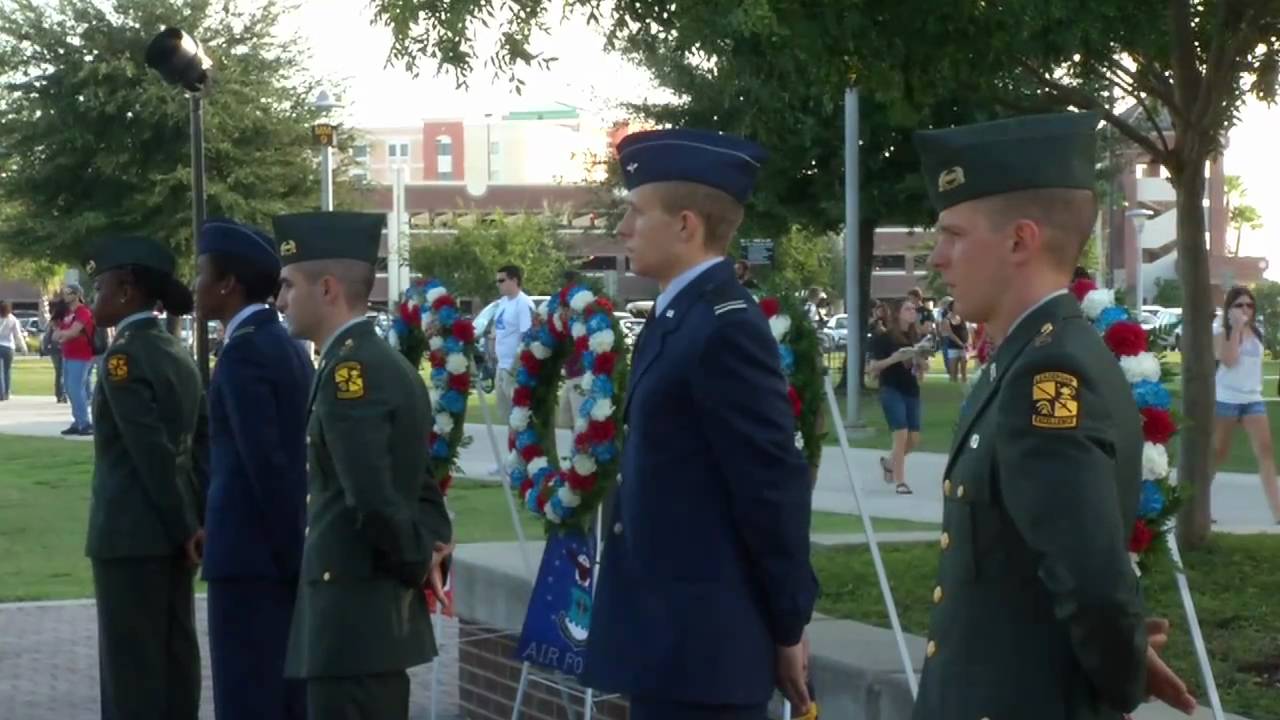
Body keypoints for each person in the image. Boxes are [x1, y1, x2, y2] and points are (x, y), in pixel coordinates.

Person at [913, 111, 1196, 719]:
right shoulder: (1030, 355)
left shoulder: (1049, 374)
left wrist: (1117, 677)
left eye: (954, 234)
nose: (938, 257)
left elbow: (1091, 578)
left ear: (1019, 240)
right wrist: (1123, 656)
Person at [582, 128, 818, 719]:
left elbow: (770, 488)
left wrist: (787, 624)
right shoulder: (680, 316)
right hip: (669, 644)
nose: (622, 229)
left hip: (706, 655)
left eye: (636, 213)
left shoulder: (725, 327)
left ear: (686, 225)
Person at [272, 211, 453, 720]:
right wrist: (432, 546)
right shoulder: (366, 361)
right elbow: (419, 486)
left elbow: (372, 497)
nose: (281, 299)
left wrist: (421, 558)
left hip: (353, 617)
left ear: (326, 288)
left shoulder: (353, 370)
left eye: (289, 285)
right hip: (361, 617)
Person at [82, 235, 207, 720]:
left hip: (130, 537)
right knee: (174, 657)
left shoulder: (123, 357)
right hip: (176, 531)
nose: (95, 299)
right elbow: (199, 446)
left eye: (100, 287)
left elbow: (149, 454)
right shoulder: (177, 353)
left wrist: (183, 526)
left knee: (130, 670)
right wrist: (193, 521)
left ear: (126, 290)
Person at [193, 218, 312, 720]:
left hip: (250, 562)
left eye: (202, 273)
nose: (194, 285)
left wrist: (287, 556)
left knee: (248, 695)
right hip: (271, 558)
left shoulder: (245, 355)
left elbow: (267, 466)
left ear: (228, 283)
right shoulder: (281, 344)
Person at [1212, 285, 1280, 523]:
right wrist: (1236, 329)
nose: (1245, 309)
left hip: (1253, 400)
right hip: (1227, 400)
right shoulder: (1220, 333)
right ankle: (1200, 507)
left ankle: (1278, 511)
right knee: (1218, 454)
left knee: (1266, 452)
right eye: (1239, 305)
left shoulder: (1258, 332)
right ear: (1229, 308)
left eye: (1249, 305)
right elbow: (1229, 361)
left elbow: (1255, 367)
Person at [867, 298, 922, 494]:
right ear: (898, 313)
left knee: (914, 439)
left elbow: (919, 369)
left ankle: (890, 463)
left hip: (911, 389)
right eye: (908, 308)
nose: (912, 312)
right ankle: (900, 482)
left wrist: (919, 361)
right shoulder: (883, 337)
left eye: (914, 309)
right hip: (891, 389)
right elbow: (872, 368)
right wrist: (894, 359)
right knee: (901, 435)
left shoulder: (915, 337)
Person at [490, 263, 535, 429]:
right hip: (501, 367)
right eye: (497, 281)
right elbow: (498, 330)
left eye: (501, 280)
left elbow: (527, 337)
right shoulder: (503, 302)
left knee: (519, 419)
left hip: (514, 370)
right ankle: (513, 451)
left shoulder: (523, 304)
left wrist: (517, 367)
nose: (498, 284)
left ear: (514, 280)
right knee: (506, 417)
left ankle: (520, 452)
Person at [51, 282, 96, 435]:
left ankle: (85, 424)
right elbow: (58, 333)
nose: (65, 295)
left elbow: (73, 331)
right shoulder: (67, 313)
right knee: (70, 389)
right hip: (68, 355)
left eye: (68, 292)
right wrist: (63, 334)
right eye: (64, 292)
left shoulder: (83, 312)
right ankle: (77, 422)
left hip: (82, 356)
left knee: (76, 388)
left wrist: (65, 335)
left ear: (77, 294)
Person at [43, 297, 69, 402]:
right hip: (65, 347)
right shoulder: (69, 318)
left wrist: (45, 347)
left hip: (54, 348)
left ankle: (59, 394)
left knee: (59, 371)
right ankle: (62, 393)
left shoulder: (54, 319)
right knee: (64, 371)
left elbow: (47, 334)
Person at [0, 300, 27, 400]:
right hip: (9, 347)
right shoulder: (13, 319)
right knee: (7, 371)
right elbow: (18, 335)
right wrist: (23, 347)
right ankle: (7, 392)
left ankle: (1, 393)